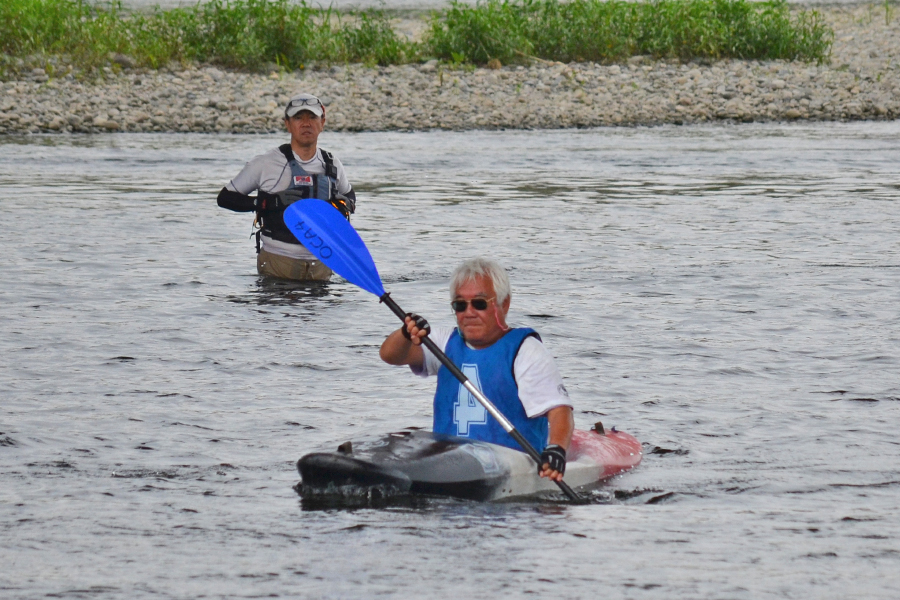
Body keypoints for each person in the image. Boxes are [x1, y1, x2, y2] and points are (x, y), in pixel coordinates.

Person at [379, 258, 575, 482]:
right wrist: (406, 332)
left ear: (504, 304)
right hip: (446, 461)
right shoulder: (443, 343)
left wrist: (557, 449)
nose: (469, 313)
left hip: (509, 465)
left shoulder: (525, 350)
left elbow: (560, 411)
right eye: (460, 305)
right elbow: (390, 355)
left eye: (479, 303)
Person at [216, 93, 357, 281]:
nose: (306, 123)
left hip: (322, 265)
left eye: (312, 117)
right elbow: (225, 198)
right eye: (298, 118)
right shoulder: (266, 163)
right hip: (278, 263)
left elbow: (350, 196)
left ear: (322, 123)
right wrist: (266, 203)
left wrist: (343, 205)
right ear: (287, 124)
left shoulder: (332, 164)